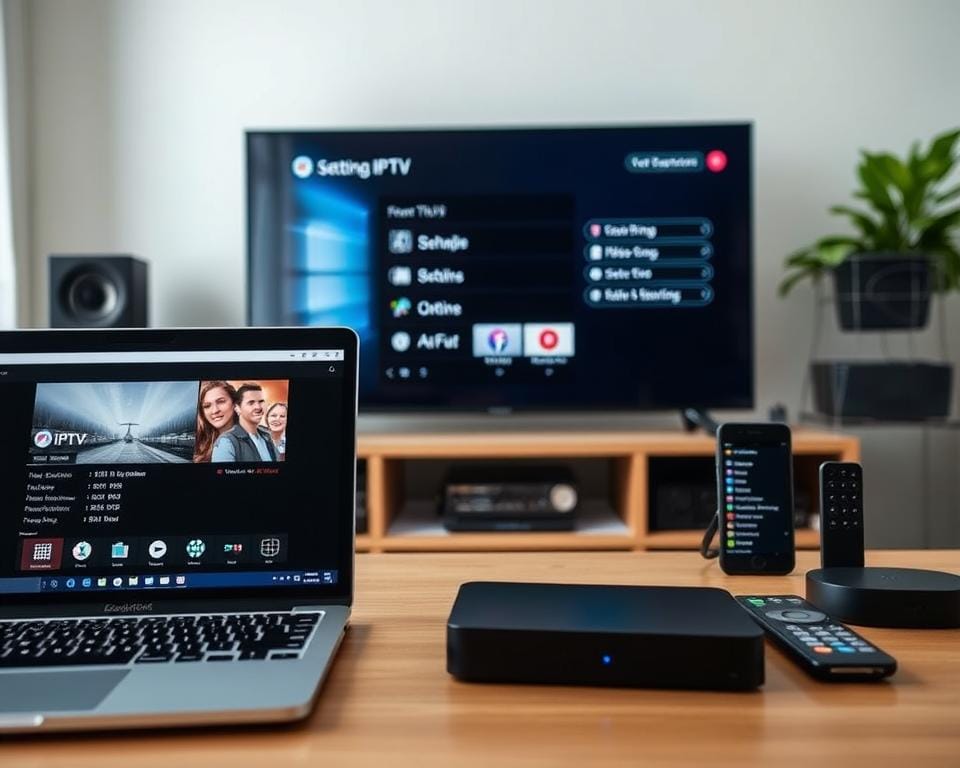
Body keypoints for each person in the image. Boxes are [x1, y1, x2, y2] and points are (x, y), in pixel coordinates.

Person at [211, 382, 278, 462]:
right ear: (237, 408)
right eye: (251, 403)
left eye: (261, 401)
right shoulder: (226, 442)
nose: (258, 407)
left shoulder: (267, 436)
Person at [193, 380, 238, 463]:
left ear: (234, 403)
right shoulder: (199, 444)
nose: (215, 411)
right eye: (207, 406)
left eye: (221, 402)